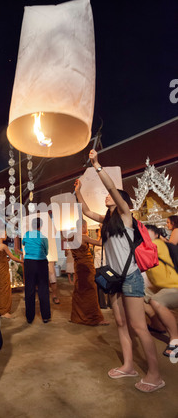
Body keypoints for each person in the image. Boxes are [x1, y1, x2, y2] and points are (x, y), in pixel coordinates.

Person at [74, 149, 165, 393]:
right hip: (113, 278)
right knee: (121, 324)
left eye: (109, 196)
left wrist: (96, 165)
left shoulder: (126, 215)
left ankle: (155, 374)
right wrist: (78, 193)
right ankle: (128, 366)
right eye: (106, 195)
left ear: (120, 199)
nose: (106, 197)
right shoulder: (108, 221)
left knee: (138, 327)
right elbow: (85, 211)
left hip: (130, 277)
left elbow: (112, 189)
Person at [144, 225, 178, 358]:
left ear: (156, 234)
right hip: (162, 287)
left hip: (174, 286)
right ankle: (158, 325)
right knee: (138, 294)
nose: (144, 235)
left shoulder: (157, 243)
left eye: (147, 232)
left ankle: (175, 340)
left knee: (157, 302)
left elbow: (139, 253)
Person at [70, 219, 109, 326]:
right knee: (91, 292)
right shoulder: (83, 236)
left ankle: (77, 316)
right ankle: (95, 318)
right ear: (83, 226)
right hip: (86, 267)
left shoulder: (71, 237)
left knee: (79, 291)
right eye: (86, 227)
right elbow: (100, 243)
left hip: (78, 267)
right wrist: (102, 229)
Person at [22, 217, 51, 323]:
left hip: (29, 263)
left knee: (29, 289)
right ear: (41, 226)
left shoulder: (26, 235)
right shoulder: (44, 238)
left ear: (32, 225)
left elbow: (24, 244)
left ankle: (29, 317)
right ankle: (46, 316)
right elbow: (46, 251)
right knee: (43, 289)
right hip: (41, 263)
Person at [0, 232, 23, 318]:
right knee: (4, 288)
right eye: (5, 234)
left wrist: (5, 259)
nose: (6, 236)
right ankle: (4, 311)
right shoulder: (3, 246)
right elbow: (13, 257)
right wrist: (23, 261)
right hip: (2, 269)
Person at [93, 227, 108, 309]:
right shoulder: (97, 240)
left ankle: (107, 303)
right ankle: (102, 303)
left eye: (99, 230)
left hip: (104, 264)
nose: (98, 232)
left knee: (106, 283)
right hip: (97, 264)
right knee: (99, 284)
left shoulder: (105, 240)